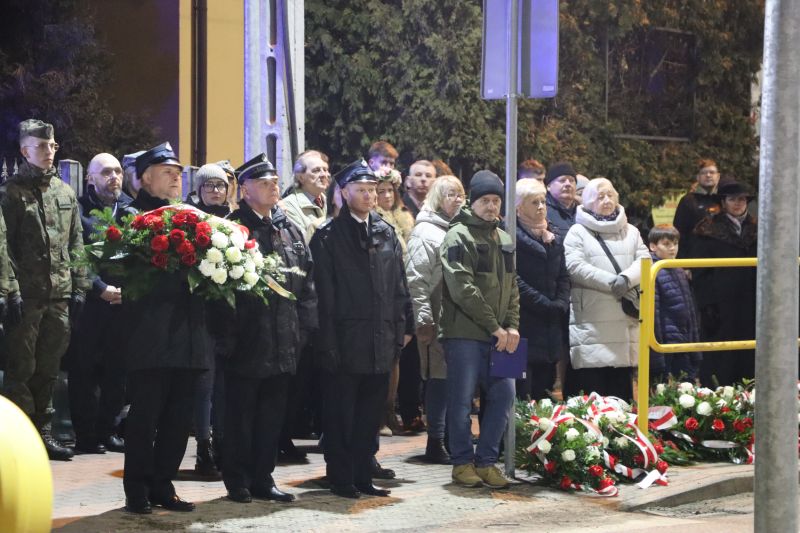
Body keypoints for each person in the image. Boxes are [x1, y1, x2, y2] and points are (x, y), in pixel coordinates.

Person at [310, 159, 412, 499]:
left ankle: (363, 474)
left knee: (370, 413)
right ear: (344, 193)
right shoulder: (329, 236)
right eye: (362, 190)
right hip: (344, 341)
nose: (370, 196)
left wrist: (401, 328)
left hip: (380, 339)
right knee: (341, 414)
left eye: (373, 190)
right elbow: (323, 295)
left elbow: (399, 285)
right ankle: (341, 478)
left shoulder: (385, 232)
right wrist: (327, 342)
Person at [122, 142, 211, 514]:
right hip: (151, 334)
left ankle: (163, 484)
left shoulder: (193, 217)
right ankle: (137, 488)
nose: (176, 178)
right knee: (146, 417)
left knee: (179, 418)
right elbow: (121, 269)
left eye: (178, 173)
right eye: (167, 172)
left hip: (189, 332)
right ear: (145, 178)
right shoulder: (130, 217)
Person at [222, 154, 317, 504]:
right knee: (239, 417)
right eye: (263, 183)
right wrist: (230, 337)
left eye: (275, 182)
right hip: (247, 342)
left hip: (284, 340)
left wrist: (303, 331)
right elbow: (221, 291)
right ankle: (238, 480)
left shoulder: (287, 228)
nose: (273, 188)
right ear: (245, 190)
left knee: (271, 418)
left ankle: (263, 477)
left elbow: (306, 283)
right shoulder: (232, 230)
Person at [1, 119, 90, 461]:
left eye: (52, 146)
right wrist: (9, 290)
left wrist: (80, 285)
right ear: (25, 151)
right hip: (26, 296)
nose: (48, 151)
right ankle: (19, 439)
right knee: (21, 368)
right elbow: (2, 247)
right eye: (41, 146)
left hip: (58, 295)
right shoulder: (10, 193)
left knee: (49, 368)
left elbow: (76, 242)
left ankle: (44, 432)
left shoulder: (64, 193)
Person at [440, 170, 520, 489]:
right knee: (461, 400)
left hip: (501, 334)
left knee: (505, 395)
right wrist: (495, 327)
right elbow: (463, 289)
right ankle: (462, 463)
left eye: (496, 200)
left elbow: (513, 288)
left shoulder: (505, 238)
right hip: (465, 334)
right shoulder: (457, 236)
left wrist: (512, 327)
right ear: (472, 202)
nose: (491, 206)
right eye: (485, 200)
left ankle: (487, 462)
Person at [67, 152, 135, 455]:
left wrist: (127, 290)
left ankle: (108, 430)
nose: (114, 177)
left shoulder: (130, 211)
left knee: (117, 371)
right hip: (90, 305)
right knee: (84, 371)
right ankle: (86, 435)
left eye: (118, 171)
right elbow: (75, 252)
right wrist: (100, 288)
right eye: (106, 172)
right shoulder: (79, 210)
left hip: (123, 303)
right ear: (90, 178)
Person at [562, 178, 649, 401]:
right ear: (588, 202)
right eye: (600, 197)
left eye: (610, 195)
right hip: (592, 320)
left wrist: (626, 279)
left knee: (621, 393)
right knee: (592, 393)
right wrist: (612, 282)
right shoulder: (577, 232)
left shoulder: (631, 231)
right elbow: (575, 266)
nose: (607, 200)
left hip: (624, 320)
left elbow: (644, 260)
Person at [405, 175, 465, 464]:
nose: (458, 199)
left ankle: (454, 439)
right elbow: (416, 280)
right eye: (451, 194)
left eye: (460, 194)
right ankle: (435, 441)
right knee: (438, 380)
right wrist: (424, 320)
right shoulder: (425, 232)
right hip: (438, 316)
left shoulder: (462, 228)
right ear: (438, 198)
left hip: (460, 318)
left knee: (457, 381)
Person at [183, 162, 232, 477]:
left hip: (229, 314)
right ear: (199, 189)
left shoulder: (235, 220)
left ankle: (225, 445)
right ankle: (203, 447)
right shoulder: (191, 219)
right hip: (200, 313)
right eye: (209, 185)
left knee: (226, 387)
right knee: (205, 386)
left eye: (221, 185)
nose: (216, 191)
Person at [688, 179, 757, 386]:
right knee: (721, 359)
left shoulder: (760, 228)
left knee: (750, 356)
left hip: (753, 303)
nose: (738, 203)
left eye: (742, 199)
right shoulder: (707, 229)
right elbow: (700, 272)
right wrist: (707, 305)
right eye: (733, 199)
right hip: (720, 306)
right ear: (723, 202)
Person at [513, 178, 570, 400]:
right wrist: (544, 303)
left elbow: (563, 274)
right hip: (522, 320)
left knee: (545, 389)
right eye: (534, 202)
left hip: (551, 321)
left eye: (543, 201)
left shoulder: (552, 235)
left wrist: (561, 302)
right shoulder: (510, 236)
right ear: (519, 207)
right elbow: (513, 279)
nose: (541, 207)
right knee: (521, 389)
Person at [374, 170, 416, 436]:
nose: (387, 195)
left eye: (390, 190)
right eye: (381, 191)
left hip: (403, 290)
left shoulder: (405, 219)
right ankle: (380, 414)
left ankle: (390, 410)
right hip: (384, 295)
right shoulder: (376, 222)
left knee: (396, 358)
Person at [647, 224, 701, 384]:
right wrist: (657, 353)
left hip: (683, 340)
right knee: (664, 389)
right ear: (653, 246)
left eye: (675, 243)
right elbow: (654, 313)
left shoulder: (677, 268)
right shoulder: (652, 270)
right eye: (666, 244)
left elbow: (690, 310)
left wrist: (694, 344)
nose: (672, 248)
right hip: (665, 343)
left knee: (686, 387)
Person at [673, 159, 722, 258]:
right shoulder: (688, 201)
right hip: (695, 259)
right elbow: (679, 233)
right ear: (698, 177)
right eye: (704, 173)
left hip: (721, 258)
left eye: (712, 172)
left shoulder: (724, 200)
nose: (708, 175)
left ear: (718, 176)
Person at [281, 150, 331, 244]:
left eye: (325, 170)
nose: (324, 175)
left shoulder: (332, 202)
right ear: (300, 177)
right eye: (316, 170)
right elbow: (301, 244)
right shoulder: (288, 206)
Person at [544, 161, 579, 237]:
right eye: (562, 180)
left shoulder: (583, 212)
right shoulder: (542, 211)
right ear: (549, 186)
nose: (568, 184)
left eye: (571, 180)